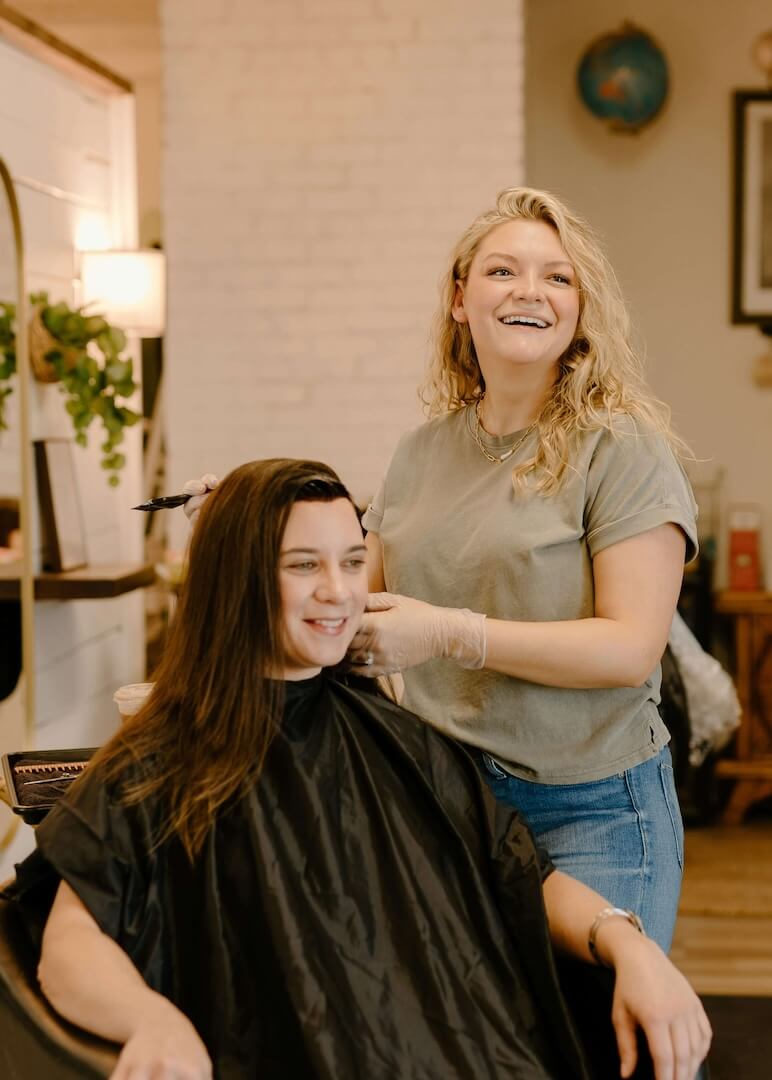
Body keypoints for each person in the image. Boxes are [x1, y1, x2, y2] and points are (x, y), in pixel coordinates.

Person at [6, 459, 709, 1079]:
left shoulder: (394, 738)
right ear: (237, 576)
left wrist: (629, 944)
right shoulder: (158, 759)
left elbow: (523, 873)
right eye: (304, 564)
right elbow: (68, 946)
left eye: (351, 561)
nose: (340, 591)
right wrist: (150, 1022)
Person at [347, 186, 699, 954]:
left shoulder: (623, 449)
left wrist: (448, 633)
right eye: (503, 271)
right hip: (447, 800)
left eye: (558, 277)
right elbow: (353, 600)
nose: (530, 291)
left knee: (608, 1048)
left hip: (596, 809)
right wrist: (268, 518)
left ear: (580, 310)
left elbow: (630, 648)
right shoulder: (420, 453)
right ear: (459, 298)